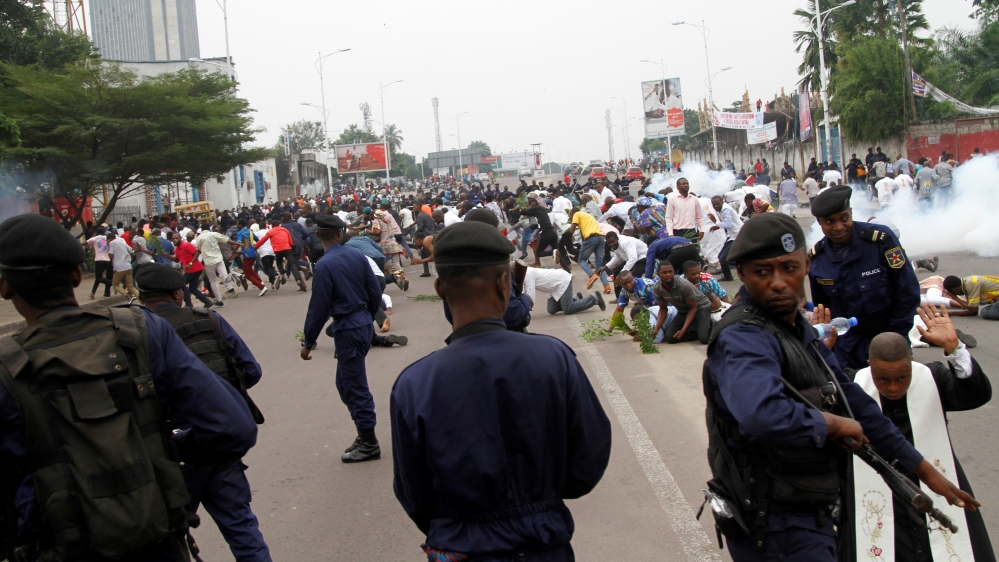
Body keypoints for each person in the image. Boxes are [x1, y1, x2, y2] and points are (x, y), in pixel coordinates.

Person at [702, 212, 979, 561]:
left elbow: (854, 401)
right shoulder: (745, 337)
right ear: (741, 274)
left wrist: (923, 470)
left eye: (789, 268)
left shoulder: (794, 327)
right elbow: (761, 414)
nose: (778, 282)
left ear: (805, 264)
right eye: (762, 271)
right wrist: (831, 424)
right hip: (770, 522)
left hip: (805, 508)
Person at [0, 214, 257, 562]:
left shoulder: (7, 367)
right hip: (156, 540)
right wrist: (166, 446)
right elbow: (232, 427)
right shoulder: (141, 330)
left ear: (5, 286)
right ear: (77, 274)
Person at [390, 221, 612, 561]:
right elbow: (586, 465)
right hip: (543, 545)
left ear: (439, 288)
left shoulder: (414, 383)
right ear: (505, 284)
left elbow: (414, 495)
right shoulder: (553, 358)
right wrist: (538, 502)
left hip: (460, 547)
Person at [136, 264, 271, 562]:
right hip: (219, 440)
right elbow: (251, 371)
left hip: (170, 449)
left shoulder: (135, 335)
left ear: (141, 297)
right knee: (241, 526)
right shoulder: (209, 318)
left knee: (169, 538)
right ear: (178, 293)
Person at [841, 313, 995, 562]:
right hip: (875, 490)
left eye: (902, 377)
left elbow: (976, 395)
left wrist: (954, 348)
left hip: (935, 482)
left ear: (911, 361)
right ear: (869, 364)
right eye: (883, 379)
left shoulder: (933, 378)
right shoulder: (853, 384)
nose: (893, 387)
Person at [809, 185, 920, 370]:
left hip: (888, 336)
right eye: (829, 222)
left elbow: (908, 292)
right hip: (845, 349)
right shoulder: (817, 259)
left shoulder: (881, 241)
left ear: (851, 213)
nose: (838, 227)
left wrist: (895, 337)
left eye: (844, 218)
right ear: (819, 222)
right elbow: (824, 310)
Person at [301, 215, 383, 463]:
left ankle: (369, 442)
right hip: (361, 324)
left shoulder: (325, 265)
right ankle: (363, 431)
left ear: (319, 235)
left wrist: (308, 342)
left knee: (355, 386)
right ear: (340, 233)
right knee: (345, 384)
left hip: (348, 328)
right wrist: (367, 317)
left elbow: (319, 307)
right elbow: (375, 291)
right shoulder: (356, 255)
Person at [651, 261, 712, 344]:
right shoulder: (657, 288)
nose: (668, 274)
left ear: (674, 272)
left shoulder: (683, 285)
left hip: (700, 307)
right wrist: (656, 329)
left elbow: (693, 308)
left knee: (704, 339)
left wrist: (683, 330)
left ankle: (712, 327)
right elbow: (663, 310)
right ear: (658, 274)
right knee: (670, 338)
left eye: (670, 272)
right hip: (684, 311)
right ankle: (697, 328)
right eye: (664, 272)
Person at [523, 265, 605, 315]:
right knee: (551, 310)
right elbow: (522, 292)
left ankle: (594, 298)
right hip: (552, 288)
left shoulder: (527, 274)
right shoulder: (522, 274)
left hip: (562, 280)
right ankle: (574, 299)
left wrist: (525, 313)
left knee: (568, 309)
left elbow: (530, 296)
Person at [566, 207, 612, 294]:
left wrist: (567, 237)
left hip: (591, 238)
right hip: (600, 238)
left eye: (570, 216)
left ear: (572, 212)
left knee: (581, 259)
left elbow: (571, 231)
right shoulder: (587, 216)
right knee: (599, 265)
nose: (570, 218)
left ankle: (592, 275)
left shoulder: (577, 214)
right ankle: (607, 286)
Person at [194, 222, 241, 302]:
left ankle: (219, 301)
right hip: (219, 258)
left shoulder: (199, 238)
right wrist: (238, 243)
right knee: (225, 277)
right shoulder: (214, 234)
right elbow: (227, 240)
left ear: (201, 229)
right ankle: (232, 275)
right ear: (209, 228)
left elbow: (199, 250)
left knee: (213, 281)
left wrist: (193, 262)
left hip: (209, 261)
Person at [108, 229, 139, 301]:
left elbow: (111, 256)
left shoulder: (112, 243)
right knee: (131, 287)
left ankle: (128, 295)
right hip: (128, 266)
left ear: (109, 239)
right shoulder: (122, 241)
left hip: (119, 267)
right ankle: (142, 301)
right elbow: (131, 251)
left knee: (115, 285)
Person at [83, 225, 113, 299]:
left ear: (97, 232)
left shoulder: (95, 238)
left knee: (99, 277)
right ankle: (97, 293)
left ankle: (113, 283)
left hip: (99, 260)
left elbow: (85, 243)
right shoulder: (107, 237)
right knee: (105, 277)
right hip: (108, 260)